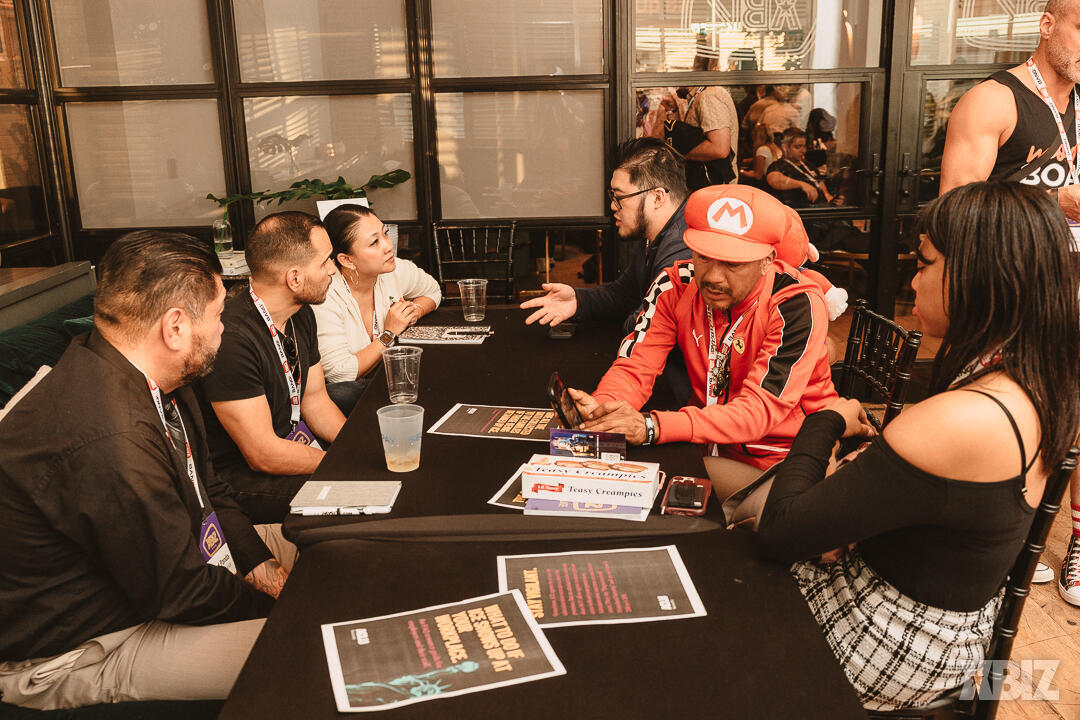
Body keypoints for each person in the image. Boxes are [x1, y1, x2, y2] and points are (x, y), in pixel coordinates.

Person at [756, 182, 1080, 710]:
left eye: (925, 264)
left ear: (977, 274)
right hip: (956, 628)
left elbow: (779, 532)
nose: (913, 281)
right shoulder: (1035, 380)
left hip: (895, 642)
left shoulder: (967, 416)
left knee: (725, 583)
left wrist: (825, 420)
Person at [0, 231, 296, 709]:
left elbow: (210, 489)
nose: (223, 329)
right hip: (85, 643)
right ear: (175, 326)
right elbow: (182, 591)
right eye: (218, 315)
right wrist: (284, 604)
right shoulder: (110, 437)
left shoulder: (157, 374)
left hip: (171, 566)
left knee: (332, 544)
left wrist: (258, 563)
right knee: (311, 648)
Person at [938, 0, 1080, 601]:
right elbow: (956, 207)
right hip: (1008, 297)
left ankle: (1075, 545)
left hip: (1070, 290)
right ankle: (1005, 544)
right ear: (1047, 25)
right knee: (1014, 421)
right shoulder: (994, 100)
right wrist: (1056, 203)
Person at [568, 184, 837, 474]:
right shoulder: (675, 284)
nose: (713, 277)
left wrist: (652, 426)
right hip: (707, 446)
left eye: (732, 263)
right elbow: (636, 367)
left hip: (789, 458)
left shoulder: (797, 302)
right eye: (704, 256)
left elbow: (758, 411)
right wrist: (601, 410)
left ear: (767, 261)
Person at [198, 211, 346, 523]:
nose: (333, 269)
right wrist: (344, 465)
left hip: (290, 449)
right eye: (325, 262)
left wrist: (356, 448)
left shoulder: (300, 312)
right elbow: (263, 454)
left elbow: (315, 400)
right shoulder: (231, 340)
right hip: (241, 479)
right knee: (360, 493)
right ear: (295, 278)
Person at [521, 138, 693, 405]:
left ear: (657, 197)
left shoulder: (683, 248)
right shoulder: (654, 235)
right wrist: (579, 300)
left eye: (619, 197)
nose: (613, 206)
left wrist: (635, 311)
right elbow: (626, 293)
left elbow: (645, 323)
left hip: (677, 395)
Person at [313, 204, 441, 414]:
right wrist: (388, 334)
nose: (388, 246)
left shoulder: (393, 269)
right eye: (374, 242)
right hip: (347, 400)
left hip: (386, 381)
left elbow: (433, 291)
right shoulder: (326, 295)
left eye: (385, 234)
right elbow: (339, 374)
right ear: (346, 260)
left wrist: (415, 310)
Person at [675, 84, 740, 190]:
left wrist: (679, 154)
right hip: (711, 187)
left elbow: (719, 148)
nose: (674, 86)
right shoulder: (702, 96)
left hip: (714, 188)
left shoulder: (708, 96)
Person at [766, 128, 835, 208]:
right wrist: (801, 184)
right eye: (797, 147)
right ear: (785, 148)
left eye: (804, 146)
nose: (803, 150)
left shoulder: (809, 166)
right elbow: (773, 179)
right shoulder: (778, 166)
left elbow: (825, 192)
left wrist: (833, 200)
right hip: (797, 211)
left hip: (819, 210)